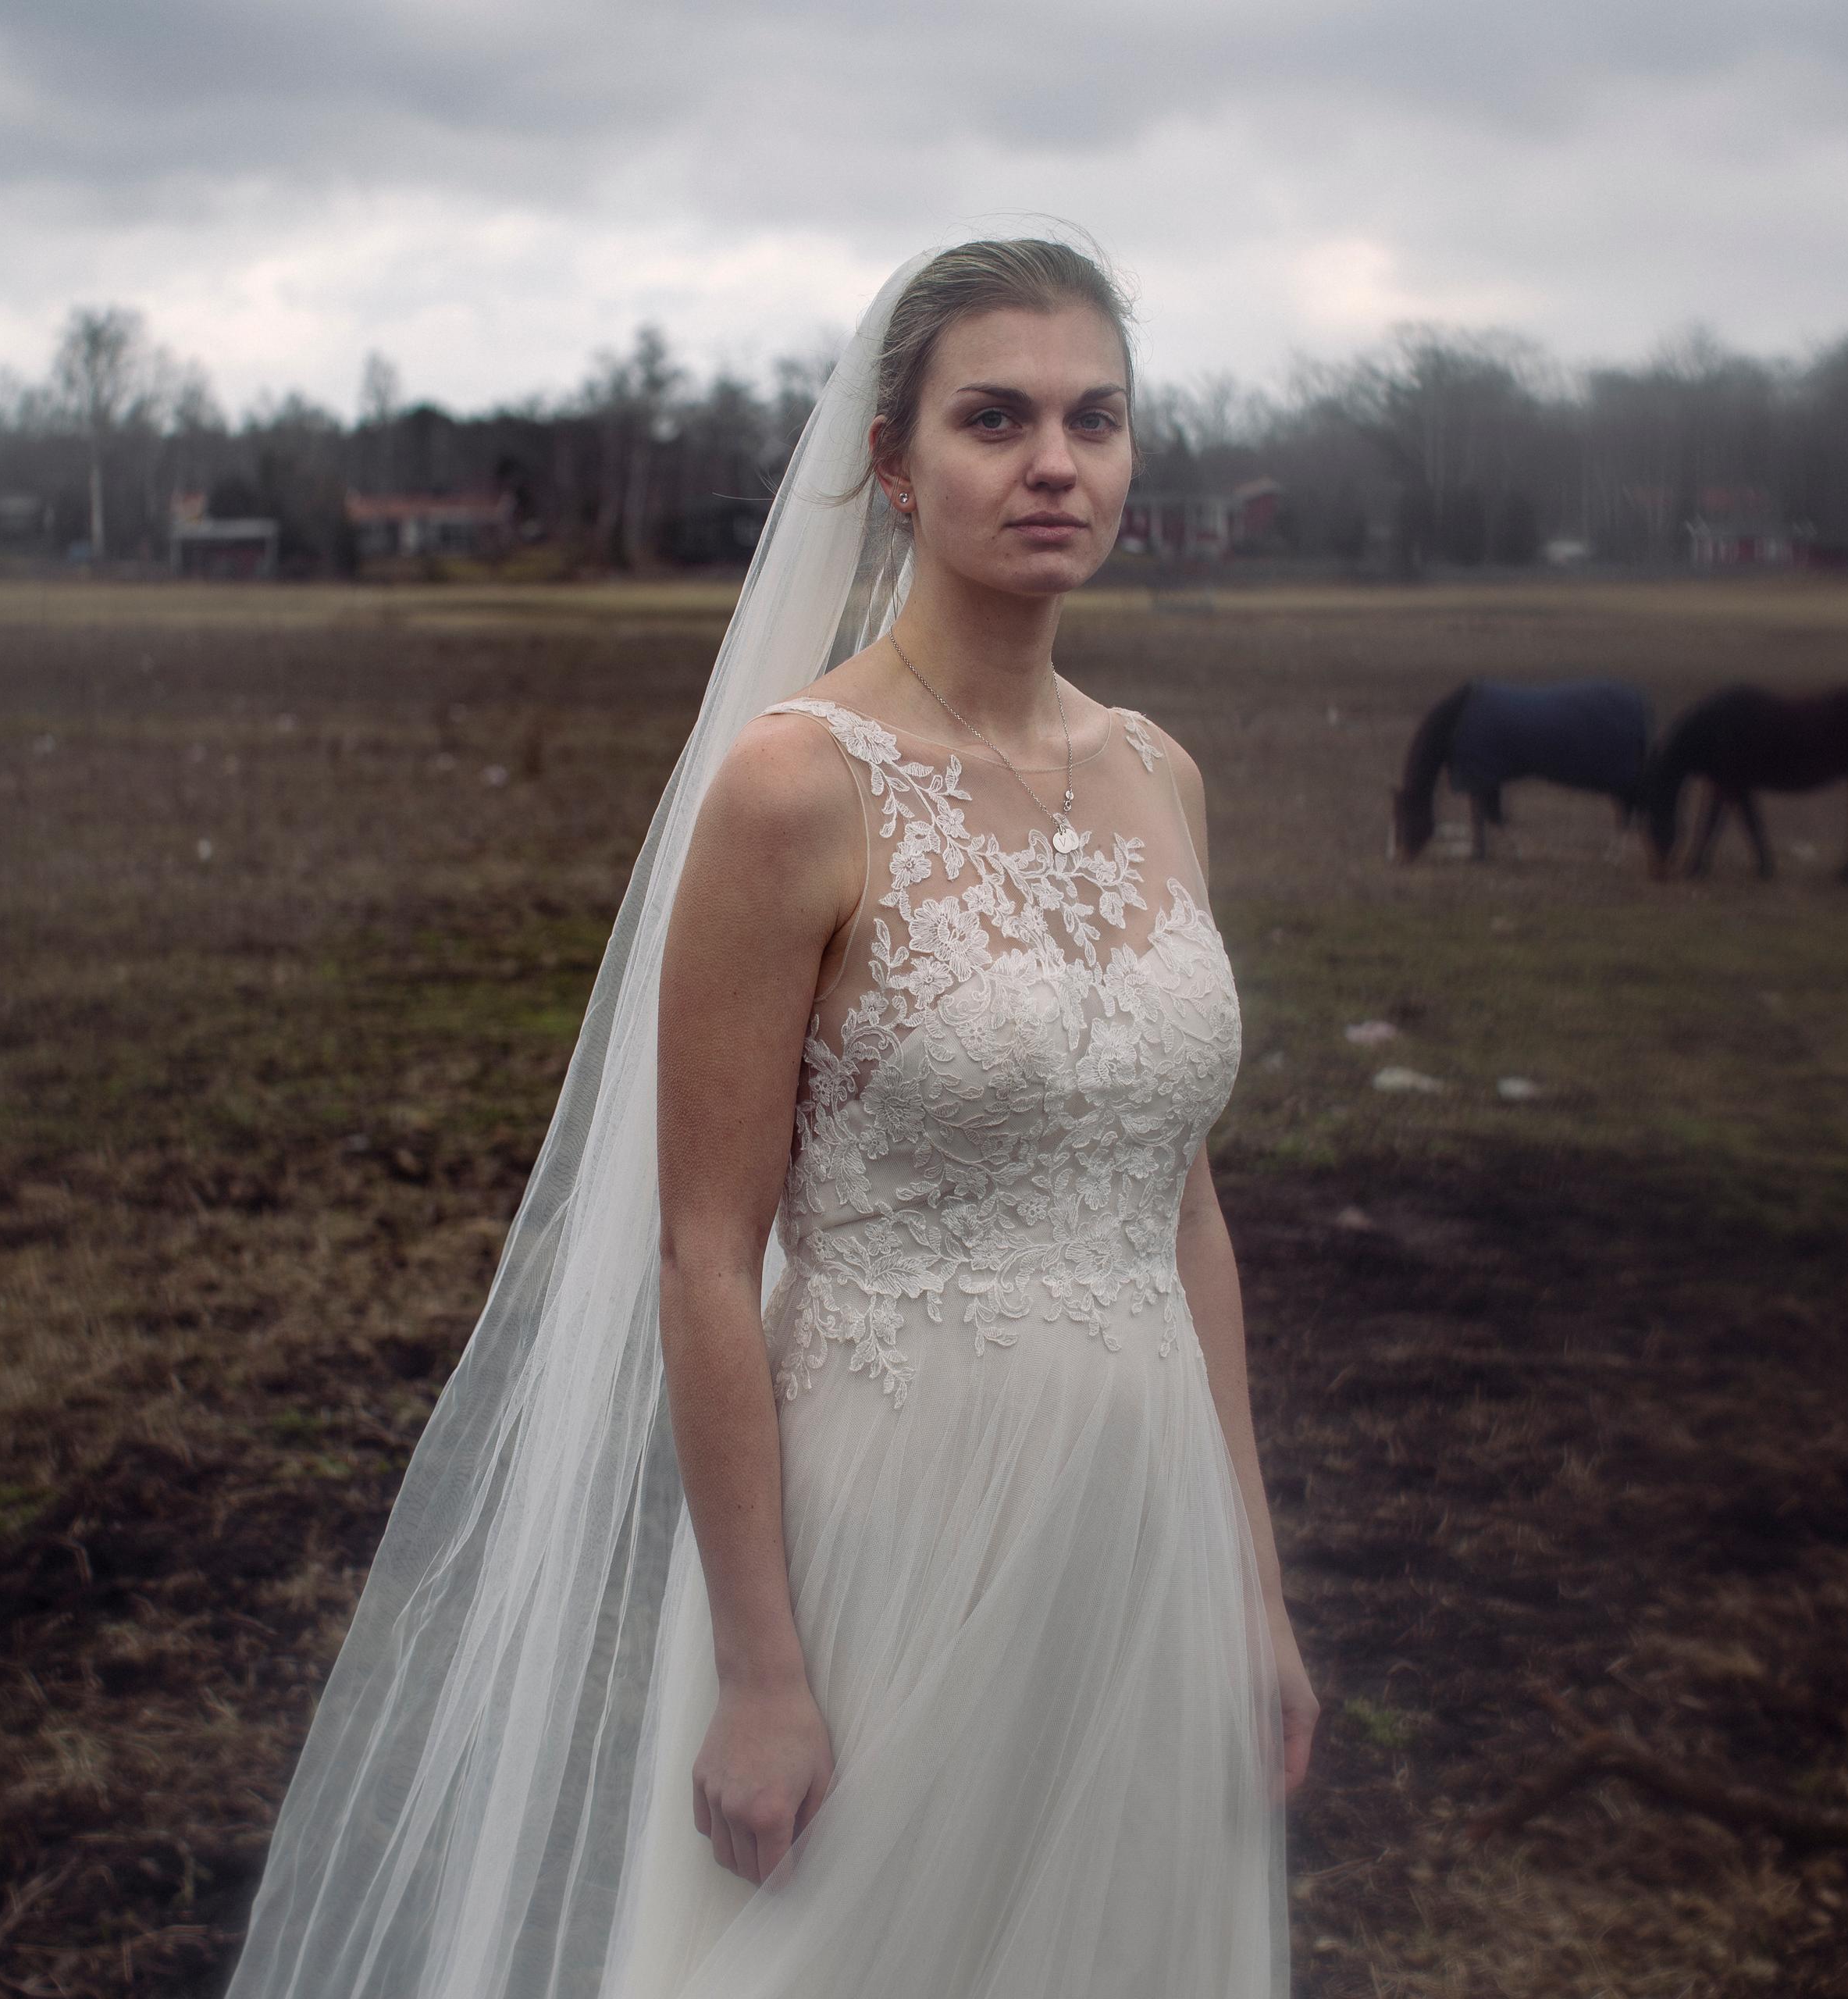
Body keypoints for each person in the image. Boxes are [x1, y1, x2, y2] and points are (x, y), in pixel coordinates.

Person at [223, 237, 1308, 1999]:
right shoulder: (797, 786)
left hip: (1148, 1508)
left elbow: (1181, 1210)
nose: (1055, 462)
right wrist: (760, 1667)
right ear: (891, 462)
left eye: (1094, 418)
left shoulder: (1160, 773)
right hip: (895, 1503)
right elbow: (705, 1249)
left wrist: (1252, 1584)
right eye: (996, 418)